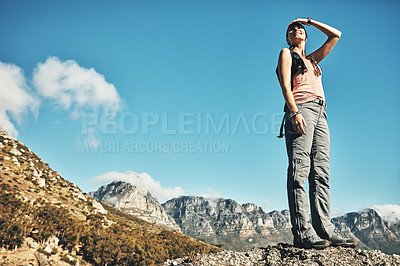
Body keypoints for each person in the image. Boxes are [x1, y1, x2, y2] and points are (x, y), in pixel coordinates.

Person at [276, 18, 357, 249]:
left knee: (321, 172)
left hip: (322, 112)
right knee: (299, 169)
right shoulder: (286, 53)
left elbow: (336, 35)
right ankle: (302, 232)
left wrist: (309, 21)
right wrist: (293, 112)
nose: (296, 30)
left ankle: (324, 229)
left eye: (300, 29)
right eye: (292, 29)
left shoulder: (312, 59)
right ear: (288, 38)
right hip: (302, 109)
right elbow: (284, 84)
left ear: (306, 35)